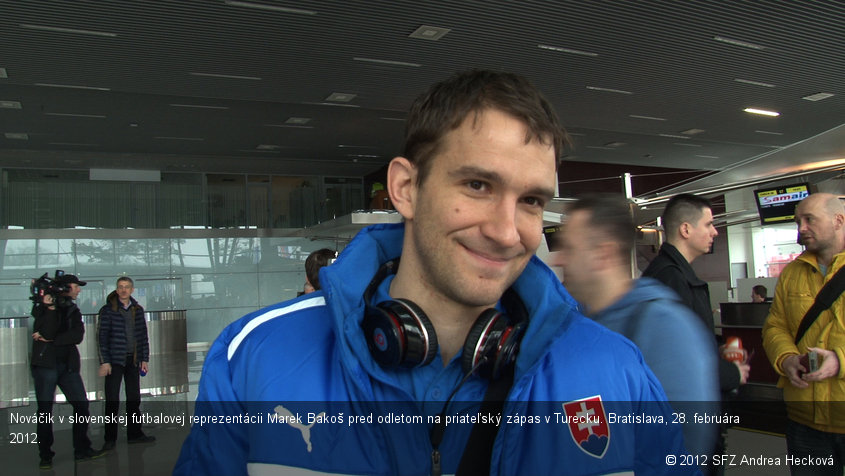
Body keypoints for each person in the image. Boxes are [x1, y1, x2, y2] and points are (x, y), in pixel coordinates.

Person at [175, 70, 695, 476]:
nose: (506, 231)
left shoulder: (615, 371)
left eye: (531, 200)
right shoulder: (256, 359)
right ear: (406, 189)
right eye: (476, 185)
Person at [551, 194, 720, 471]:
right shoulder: (576, 325)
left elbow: (683, 441)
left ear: (602, 254)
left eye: (569, 249)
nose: (558, 259)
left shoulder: (663, 327)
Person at [762, 192, 845, 476]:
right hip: (805, 422)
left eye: (810, 219)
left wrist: (839, 361)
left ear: (839, 220)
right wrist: (785, 358)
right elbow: (776, 326)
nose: (801, 229)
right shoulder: (792, 273)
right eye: (799, 221)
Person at [642, 194, 750, 393]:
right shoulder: (670, 279)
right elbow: (678, 355)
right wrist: (731, 374)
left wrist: (716, 349)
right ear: (686, 229)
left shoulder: (674, 274)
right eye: (709, 224)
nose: (715, 232)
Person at [30, 273, 105, 469]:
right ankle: (45, 455)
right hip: (46, 365)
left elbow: (77, 335)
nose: (79, 289)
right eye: (76, 286)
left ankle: (82, 449)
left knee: (81, 405)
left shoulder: (73, 309)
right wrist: (51, 308)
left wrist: (53, 340)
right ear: (65, 287)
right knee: (45, 410)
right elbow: (46, 330)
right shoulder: (42, 307)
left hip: (68, 366)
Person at [97, 276, 155, 450]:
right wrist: (105, 361)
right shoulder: (107, 310)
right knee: (112, 400)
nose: (123, 290)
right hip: (114, 361)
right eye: (121, 287)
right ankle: (110, 438)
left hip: (133, 360)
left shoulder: (137, 310)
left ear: (132, 290)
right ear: (116, 290)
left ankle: (134, 434)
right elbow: (101, 337)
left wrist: (145, 358)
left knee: (134, 398)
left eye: (127, 287)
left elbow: (143, 336)